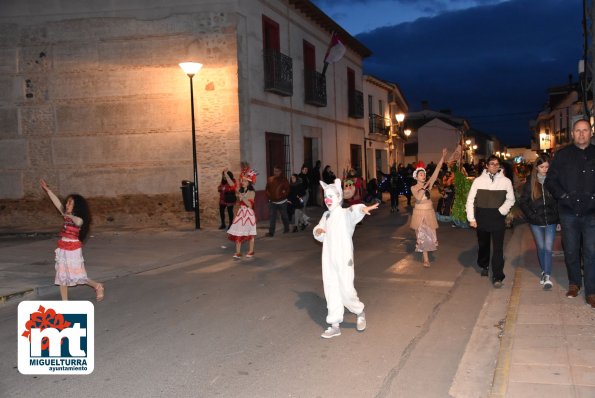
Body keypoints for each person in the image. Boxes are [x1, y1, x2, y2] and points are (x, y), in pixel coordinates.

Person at [313, 178, 379, 339]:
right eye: (326, 196)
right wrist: (318, 232)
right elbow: (319, 229)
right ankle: (335, 324)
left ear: (339, 197)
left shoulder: (344, 214)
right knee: (331, 289)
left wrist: (363, 209)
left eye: (331, 195)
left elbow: (354, 211)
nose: (328, 199)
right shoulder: (326, 215)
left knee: (347, 289)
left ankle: (359, 311)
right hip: (328, 259)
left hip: (344, 259)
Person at [545, 118, 595, 306]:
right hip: (568, 212)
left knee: (591, 252)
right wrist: (563, 196)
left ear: (591, 133)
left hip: (592, 212)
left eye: (585, 130)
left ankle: (591, 291)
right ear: (572, 134)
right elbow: (551, 180)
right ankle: (574, 283)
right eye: (578, 130)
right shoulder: (562, 155)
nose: (582, 134)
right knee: (572, 251)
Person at [40, 179, 104, 301]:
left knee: (78, 276)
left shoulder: (77, 218)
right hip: (63, 247)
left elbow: (79, 222)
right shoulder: (66, 214)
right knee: (62, 275)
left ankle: (97, 285)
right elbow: (56, 202)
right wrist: (47, 190)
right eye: (67, 203)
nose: (66, 205)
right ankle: (65, 303)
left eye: (70, 203)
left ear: (76, 206)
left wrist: (68, 215)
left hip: (73, 249)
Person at [466, 155, 515, 288]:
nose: (494, 166)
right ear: (486, 165)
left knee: (498, 248)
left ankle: (498, 276)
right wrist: (471, 218)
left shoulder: (506, 181)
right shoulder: (478, 181)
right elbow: (470, 200)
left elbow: (511, 199)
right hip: (482, 217)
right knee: (483, 245)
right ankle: (484, 264)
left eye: (497, 164)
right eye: (492, 164)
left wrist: (501, 211)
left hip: (498, 217)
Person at [519, 153, 559, 290]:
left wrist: (557, 216)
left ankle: (547, 275)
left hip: (551, 221)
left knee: (548, 248)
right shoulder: (530, 182)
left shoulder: (553, 180)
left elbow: (558, 199)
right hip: (536, 221)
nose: (545, 169)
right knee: (541, 247)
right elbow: (523, 202)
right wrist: (531, 216)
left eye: (547, 167)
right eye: (542, 167)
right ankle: (544, 270)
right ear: (536, 167)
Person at [409, 148, 448, 268]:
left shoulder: (428, 185)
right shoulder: (414, 187)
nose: (424, 176)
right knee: (422, 236)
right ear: (416, 176)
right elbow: (419, 197)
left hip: (429, 212)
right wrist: (425, 186)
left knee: (430, 235)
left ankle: (426, 254)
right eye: (421, 174)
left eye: (424, 174)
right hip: (419, 213)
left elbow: (436, 172)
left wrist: (442, 157)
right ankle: (425, 259)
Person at [227, 172, 257, 259]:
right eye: (242, 181)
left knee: (250, 233)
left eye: (244, 181)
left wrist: (242, 197)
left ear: (249, 182)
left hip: (249, 214)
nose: (242, 182)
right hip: (241, 213)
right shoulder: (240, 190)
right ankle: (238, 252)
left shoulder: (252, 192)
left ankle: (251, 251)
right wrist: (226, 174)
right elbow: (232, 184)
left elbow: (250, 205)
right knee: (238, 232)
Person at [265, 166, 290, 237]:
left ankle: (286, 228)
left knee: (284, 215)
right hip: (272, 202)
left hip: (282, 202)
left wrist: (281, 196)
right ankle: (271, 232)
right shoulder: (270, 179)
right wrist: (269, 196)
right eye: (274, 171)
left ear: (280, 172)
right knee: (272, 217)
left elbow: (287, 190)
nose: (275, 172)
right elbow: (267, 189)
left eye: (277, 171)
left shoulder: (284, 180)